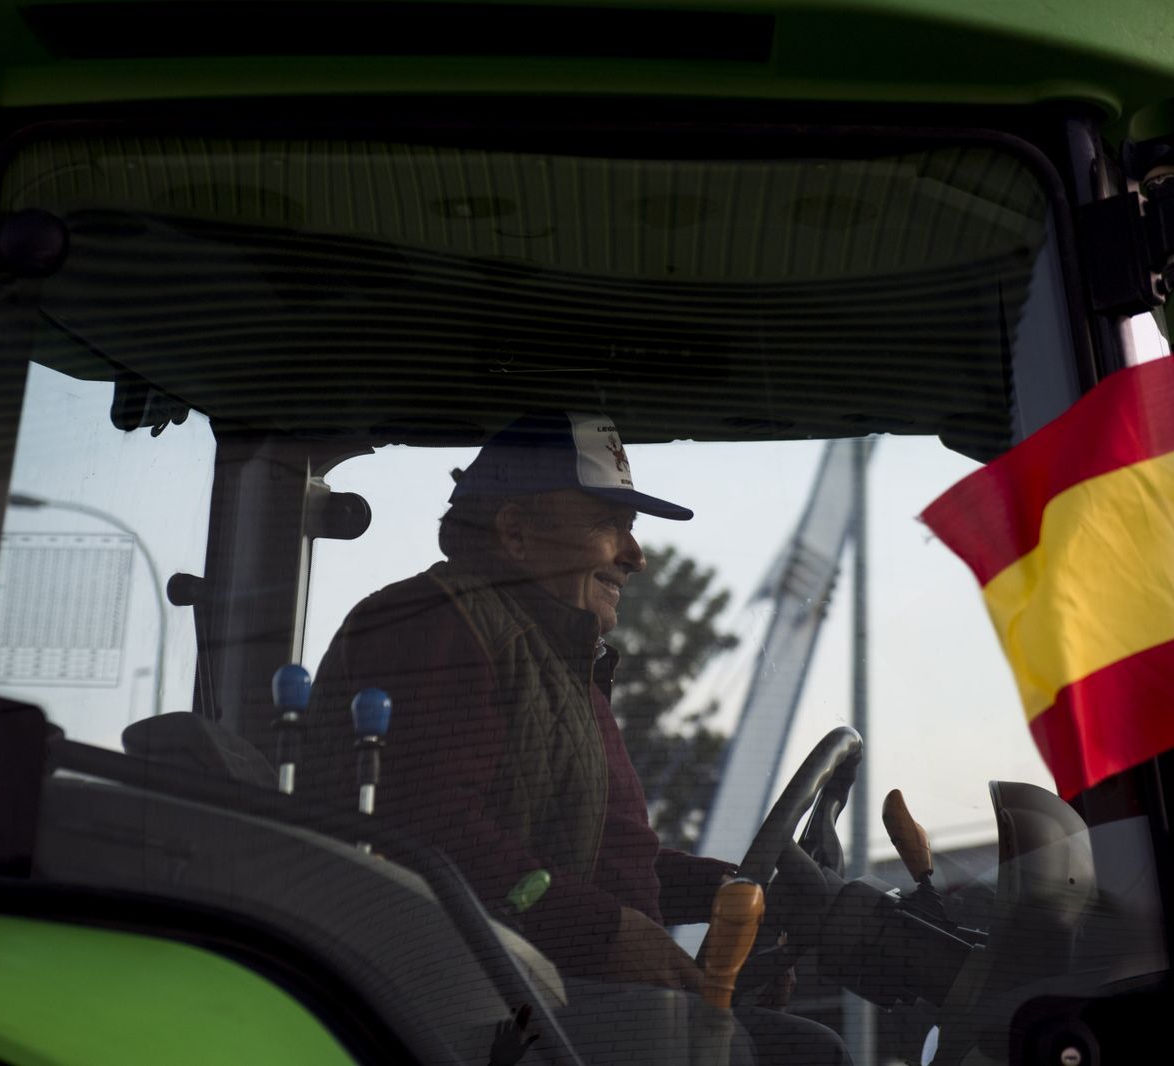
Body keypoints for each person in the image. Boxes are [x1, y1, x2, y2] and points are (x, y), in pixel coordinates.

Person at [303, 411, 849, 1065]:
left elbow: (587, 864)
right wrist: (606, 931)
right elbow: (428, 833)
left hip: (543, 987)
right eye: (608, 524)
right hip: (482, 1011)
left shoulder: (556, 658)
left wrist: (733, 892)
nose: (636, 555)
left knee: (807, 1049)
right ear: (515, 531)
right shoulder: (431, 625)